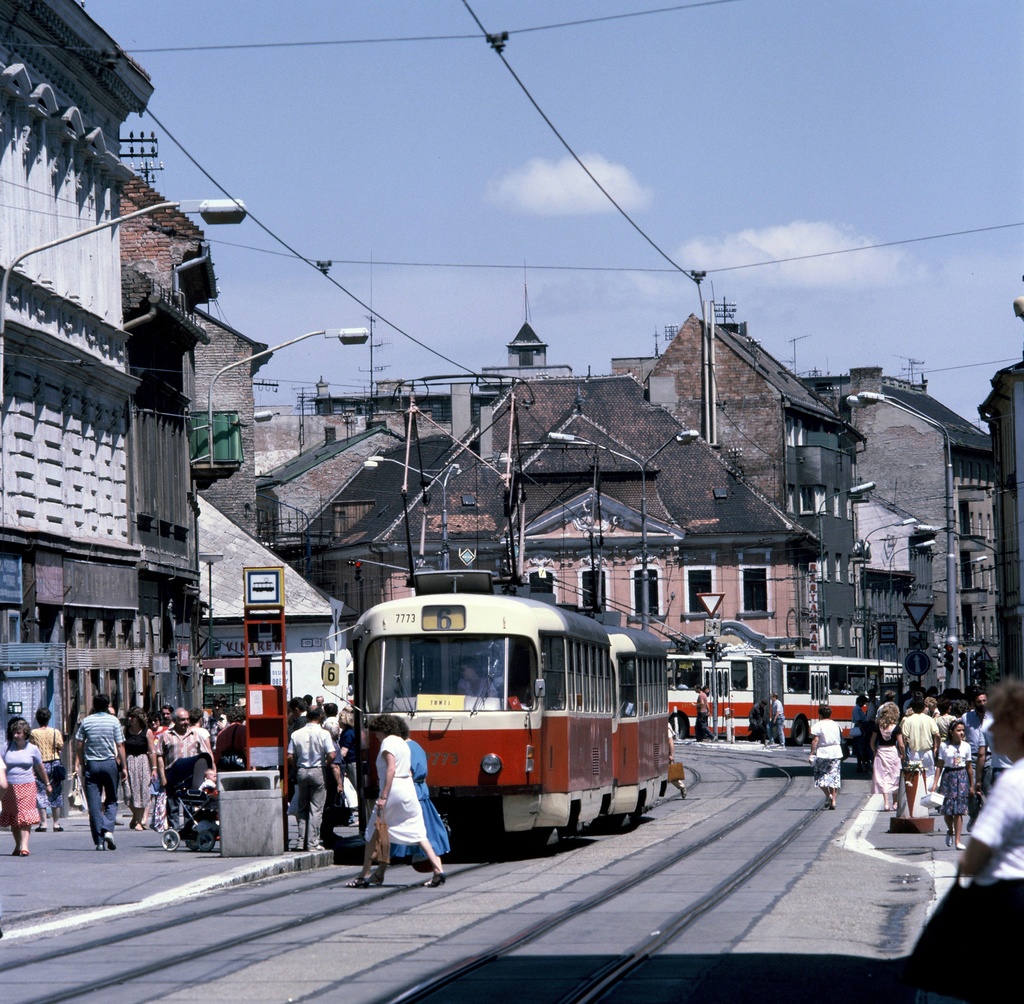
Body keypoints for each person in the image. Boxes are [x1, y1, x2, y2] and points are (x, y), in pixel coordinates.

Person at [904, 681, 1024, 1003]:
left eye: (998, 722)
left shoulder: (1012, 783)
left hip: (1007, 894)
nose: (991, 730)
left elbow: (975, 853)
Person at [347, 714, 445, 888]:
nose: (376, 736)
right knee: (418, 831)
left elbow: (391, 769)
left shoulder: (388, 742)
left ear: (382, 730)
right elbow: (408, 771)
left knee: (372, 832)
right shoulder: (403, 743)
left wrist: (383, 796)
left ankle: (364, 875)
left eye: (376, 733)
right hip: (408, 789)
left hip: (393, 789)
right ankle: (438, 870)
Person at [390, 718, 451, 863]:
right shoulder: (416, 746)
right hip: (421, 790)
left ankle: (428, 860)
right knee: (426, 826)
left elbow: (407, 772)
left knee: (413, 827)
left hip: (411, 791)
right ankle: (434, 862)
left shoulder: (403, 749)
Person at [75, 694, 127, 851]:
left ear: (94, 705)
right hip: (110, 763)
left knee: (94, 804)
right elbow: (120, 745)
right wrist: (124, 767)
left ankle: (99, 841)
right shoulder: (114, 721)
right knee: (111, 799)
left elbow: (79, 744)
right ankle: (108, 829)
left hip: (92, 764)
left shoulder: (86, 721)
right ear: (107, 705)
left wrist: (81, 763)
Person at [287, 705, 339, 851]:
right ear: (320, 716)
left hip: (302, 770)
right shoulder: (324, 733)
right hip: (317, 769)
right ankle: (312, 842)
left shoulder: (296, 734)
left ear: (307, 716)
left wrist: (296, 767)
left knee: (302, 806)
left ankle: (301, 841)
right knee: (316, 808)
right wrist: (325, 763)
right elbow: (332, 754)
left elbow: (290, 756)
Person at [157, 706, 214, 831]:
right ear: (175, 720)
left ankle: (189, 830)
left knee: (190, 803)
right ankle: (175, 830)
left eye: (187, 719)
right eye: (182, 720)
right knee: (173, 804)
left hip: (191, 775)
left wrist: (210, 772)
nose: (186, 722)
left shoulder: (196, 735)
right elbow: (160, 756)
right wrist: (162, 776)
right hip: (173, 773)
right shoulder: (166, 735)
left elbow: (205, 754)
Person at [1, 718, 50, 855]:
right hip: (9, 787)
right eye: (14, 733)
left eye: (19, 733)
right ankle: (18, 845)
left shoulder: (33, 749)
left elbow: (40, 768)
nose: (16, 735)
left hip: (27, 785)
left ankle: (24, 845)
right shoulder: (6, 747)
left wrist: (47, 783)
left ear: (25, 733)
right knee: (14, 816)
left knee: (25, 816)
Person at [932, 719, 974, 850]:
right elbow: (939, 765)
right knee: (947, 810)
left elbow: (969, 767)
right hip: (948, 777)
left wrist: (972, 785)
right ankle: (950, 829)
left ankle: (958, 840)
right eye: (958, 730)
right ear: (951, 732)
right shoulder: (944, 746)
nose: (961, 733)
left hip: (961, 777)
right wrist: (935, 784)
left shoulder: (966, 746)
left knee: (959, 811)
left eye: (963, 730)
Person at [29, 707, 64, 832]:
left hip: (40, 764)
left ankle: (43, 823)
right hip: (54, 764)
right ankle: (56, 823)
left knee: (40, 792)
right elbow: (60, 746)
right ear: (48, 718)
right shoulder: (55, 732)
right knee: (56, 792)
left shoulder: (34, 733)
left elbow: (31, 749)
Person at [123, 708, 157, 831]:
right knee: (128, 793)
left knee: (143, 792)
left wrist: (154, 768)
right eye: (129, 716)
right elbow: (121, 748)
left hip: (143, 762)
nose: (130, 719)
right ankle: (136, 816)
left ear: (139, 718)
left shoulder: (147, 732)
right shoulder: (126, 730)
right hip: (129, 762)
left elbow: (152, 751)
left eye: (133, 716)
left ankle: (139, 820)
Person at [871, 702, 905, 811]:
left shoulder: (878, 726)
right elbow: (901, 744)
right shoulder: (897, 728)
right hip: (893, 752)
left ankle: (886, 803)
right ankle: (895, 802)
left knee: (883, 777)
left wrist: (875, 751)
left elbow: (872, 742)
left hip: (881, 751)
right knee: (895, 776)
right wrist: (903, 754)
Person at [810, 705, 843, 810]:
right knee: (834, 776)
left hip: (823, 753)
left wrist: (812, 753)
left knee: (819, 776)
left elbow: (815, 740)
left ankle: (828, 795)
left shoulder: (818, 725)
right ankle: (834, 801)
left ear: (820, 714)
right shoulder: (836, 725)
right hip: (836, 752)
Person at [901, 694, 939, 785]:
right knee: (930, 775)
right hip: (927, 751)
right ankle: (928, 791)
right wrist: (936, 747)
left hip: (914, 752)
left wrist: (903, 753)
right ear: (923, 707)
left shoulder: (908, 720)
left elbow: (904, 737)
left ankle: (918, 792)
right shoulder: (929, 719)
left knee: (915, 776)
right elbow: (937, 734)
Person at [215, 706, 247, 772]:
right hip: (241, 769)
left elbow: (218, 755)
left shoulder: (221, 733)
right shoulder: (244, 730)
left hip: (225, 769)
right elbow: (246, 750)